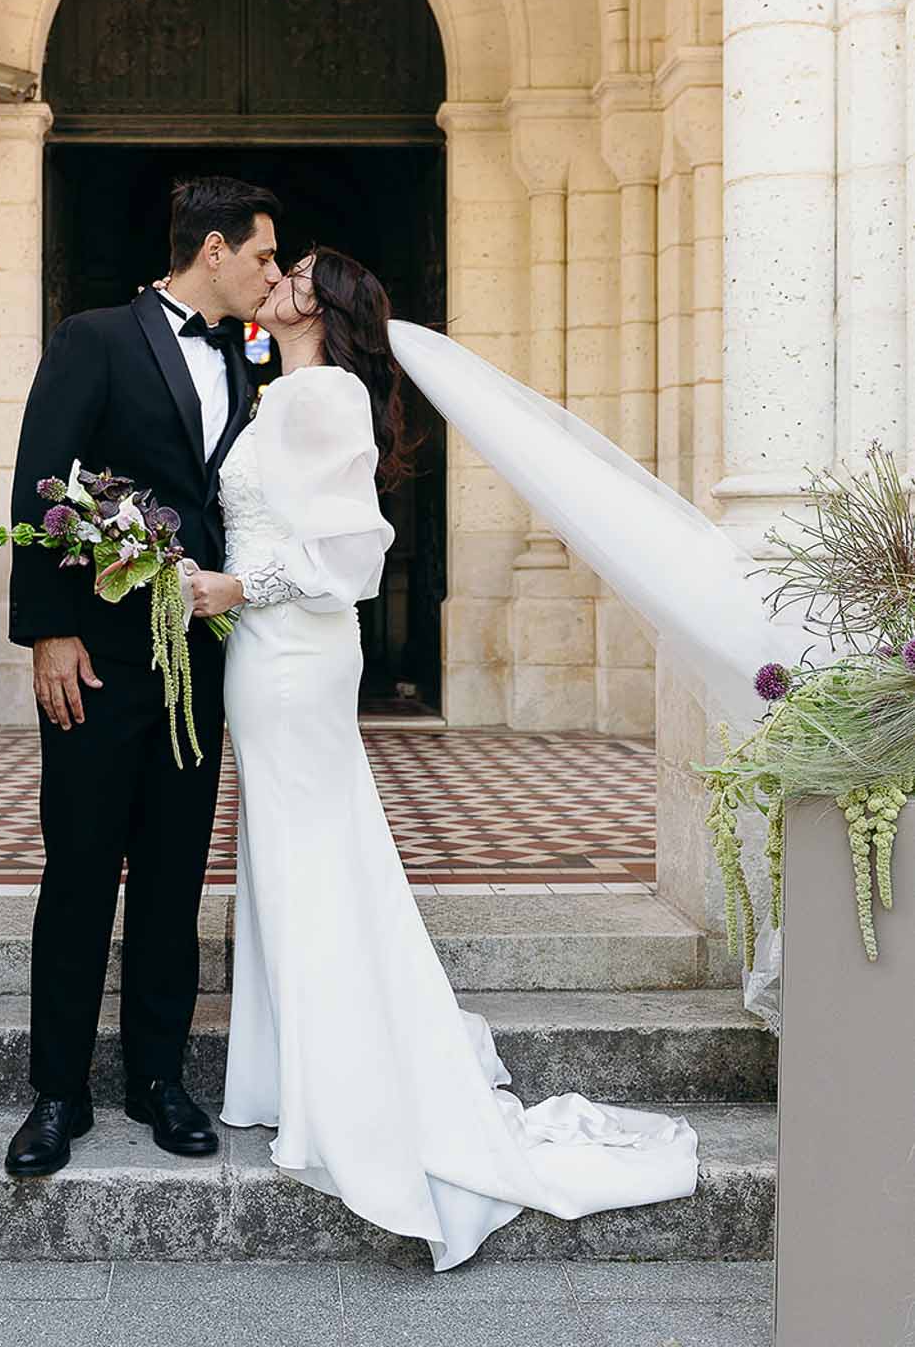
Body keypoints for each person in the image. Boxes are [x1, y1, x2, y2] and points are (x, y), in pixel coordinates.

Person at [182, 247, 702, 1270]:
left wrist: (237, 588)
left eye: (298, 273)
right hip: (272, 655)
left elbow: (352, 552)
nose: (278, 277)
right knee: (288, 857)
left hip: (290, 654)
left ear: (323, 307)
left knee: (307, 858)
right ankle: (290, 1076)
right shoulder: (288, 390)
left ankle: (333, 1088)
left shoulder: (322, 394)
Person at [3, 175, 281, 1178]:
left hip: (198, 660)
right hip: (98, 657)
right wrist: (48, 631)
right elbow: (43, 479)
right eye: (262, 256)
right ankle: (58, 1092)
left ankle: (160, 1079)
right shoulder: (95, 338)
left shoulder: (247, 363)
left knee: (174, 875)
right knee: (80, 869)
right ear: (214, 249)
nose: (271, 275)